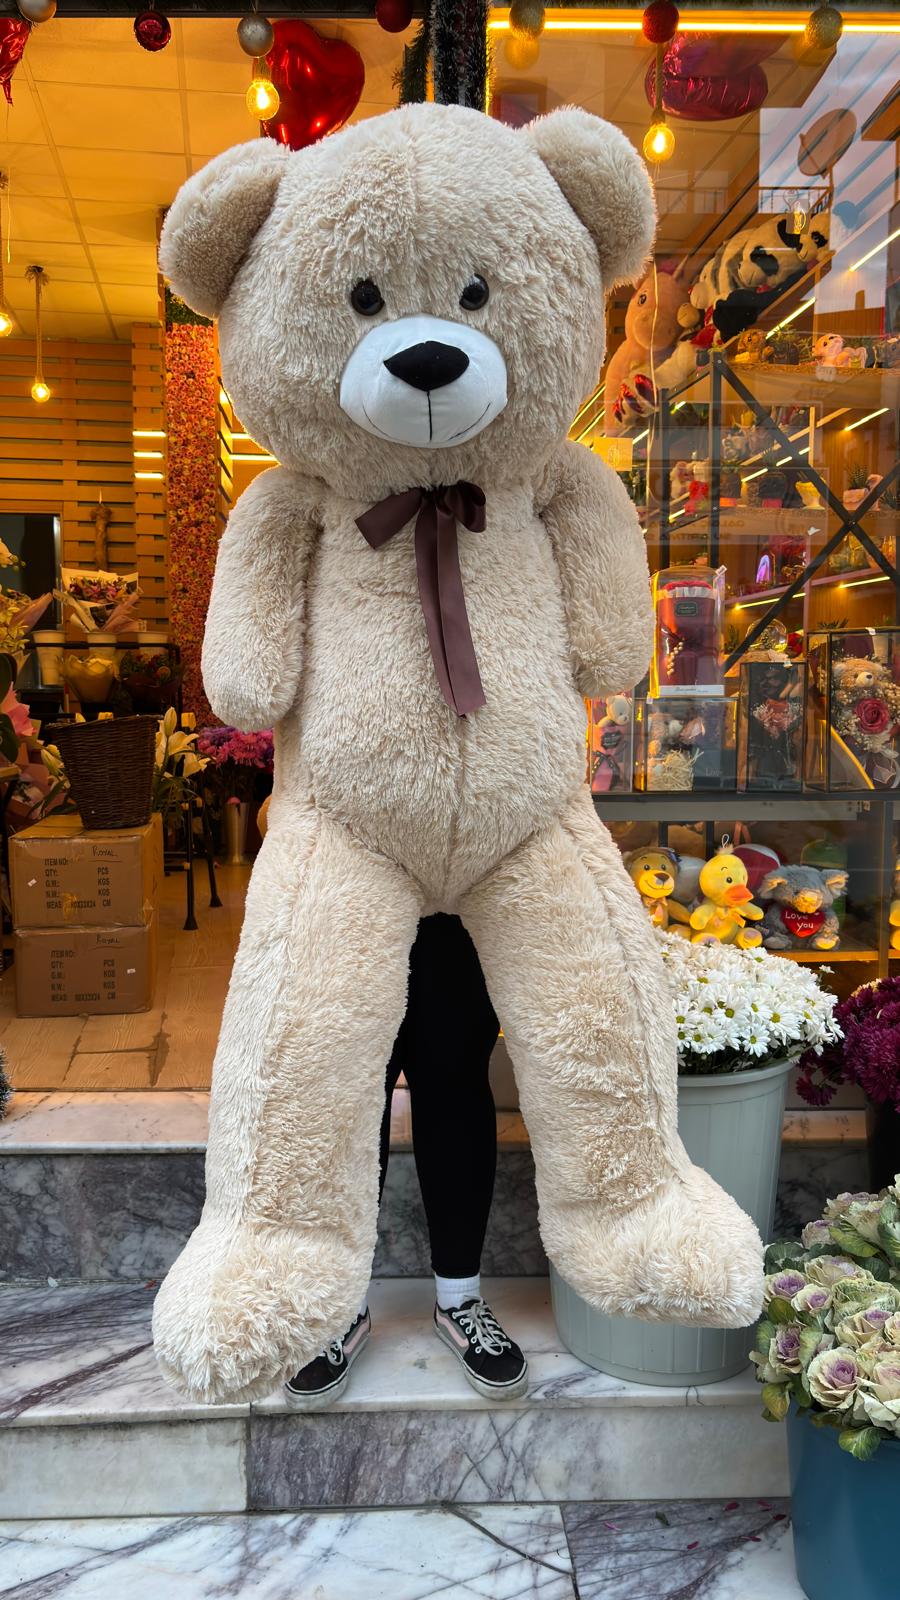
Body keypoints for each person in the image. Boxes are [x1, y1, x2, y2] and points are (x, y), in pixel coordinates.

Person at [284, 913, 528, 1409]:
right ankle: (339, 1305)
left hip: (455, 903)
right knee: (346, 1102)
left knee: (456, 1087)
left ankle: (459, 1298)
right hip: (352, 906)